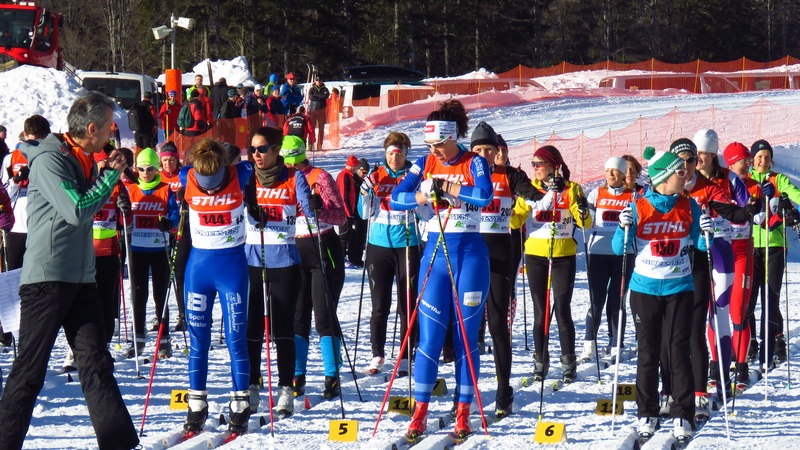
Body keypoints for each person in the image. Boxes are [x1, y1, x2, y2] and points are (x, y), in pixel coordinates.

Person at [0, 92, 139, 450]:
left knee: (96, 365)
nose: (112, 133)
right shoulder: (51, 159)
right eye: (109, 127)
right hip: (46, 279)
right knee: (30, 371)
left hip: (81, 277)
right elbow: (76, 210)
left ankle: (120, 444)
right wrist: (109, 178)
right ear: (92, 128)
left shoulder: (83, 157)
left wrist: (107, 174)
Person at [390, 100, 493, 440]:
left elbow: (484, 196)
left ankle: (463, 412)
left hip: (469, 255)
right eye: (429, 144)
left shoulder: (474, 161)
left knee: (465, 338)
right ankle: (419, 413)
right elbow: (396, 198)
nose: (434, 150)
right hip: (434, 256)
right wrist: (423, 197)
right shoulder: (424, 163)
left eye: (438, 144)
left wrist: (448, 188)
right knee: (430, 338)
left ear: (452, 137)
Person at [613, 147, 711, 443]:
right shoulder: (639, 206)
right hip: (645, 289)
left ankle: (683, 413)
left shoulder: (689, 205)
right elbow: (620, 249)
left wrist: (707, 231)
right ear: (664, 177)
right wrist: (622, 227)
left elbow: (701, 245)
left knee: (678, 350)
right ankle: (647, 412)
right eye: (680, 172)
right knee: (648, 351)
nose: (686, 176)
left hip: (679, 288)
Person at [666, 137, 757, 416]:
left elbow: (739, 211)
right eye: (682, 161)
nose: (689, 165)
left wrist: (752, 209)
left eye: (693, 159)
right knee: (683, 321)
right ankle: (680, 384)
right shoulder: (668, 187)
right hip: (686, 257)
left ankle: (727, 372)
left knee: (722, 312)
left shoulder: (718, 183)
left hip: (723, 251)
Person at [179, 138, 254, 437]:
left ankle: (240, 405)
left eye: (215, 183)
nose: (210, 190)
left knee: (236, 339)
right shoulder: (187, 176)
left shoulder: (240, 174)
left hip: (231, 268)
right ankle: (196, 405)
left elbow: (247, 162)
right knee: (198, 340)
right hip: (198, 269)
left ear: (225, 169)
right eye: (205, 184)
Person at [470, 121, 543, 418]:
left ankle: (503, 390)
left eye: (490, 149)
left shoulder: (509, 175)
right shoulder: (464, 173)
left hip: (500, 251)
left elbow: (532, 193)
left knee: (498, 323)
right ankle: (466, 391)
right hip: (470, 253)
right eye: (479, 149)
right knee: (467, 324)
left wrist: (546, 193)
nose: (484, 154)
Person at [244, 127, 313, 418]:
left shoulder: (293, 177)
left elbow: (307, 206)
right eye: (252, 149)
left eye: (261, 149)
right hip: (252, 262)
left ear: (275, 150)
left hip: (284, 263)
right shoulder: (247, 177)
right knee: (252, 329)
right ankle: (251, 386)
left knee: (283, 328)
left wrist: (313, 205)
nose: (256, 155)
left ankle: (286, 388)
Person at [511, 145, 592, 384]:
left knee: (563, 310)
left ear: (553, 166)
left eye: (539, 164)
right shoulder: (532, 189)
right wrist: (511, 211)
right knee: (540, 312)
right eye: (533, 164)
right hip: (536, 255)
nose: (535, 168)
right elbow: (515, 221)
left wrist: (583, 210)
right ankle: (540, 361)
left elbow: (585, 224)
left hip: (562, 256)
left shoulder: (571, 188)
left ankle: (568, 362)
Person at [281, 135, 348, 400]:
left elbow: (341, 216)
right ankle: (297, 375)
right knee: (297, 317)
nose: (287, 165)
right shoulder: (280, 180)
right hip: (294, 250)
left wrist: (320, 209)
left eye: (289, 159)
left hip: (322, 246)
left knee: (323, 315)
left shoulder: (320, 177)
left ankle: (332, 375)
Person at [358, 132, 421, 376]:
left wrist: (420, 198)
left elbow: (424, 212)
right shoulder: (376, 176)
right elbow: (364, 214)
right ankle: (377, 354)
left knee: (407, 303)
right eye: (390, 153)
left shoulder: (414, 176)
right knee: (379, 304)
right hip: (379, 245)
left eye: (399, 153)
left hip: (407, 243)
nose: (395, 158)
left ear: (406, 154)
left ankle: (405, 356)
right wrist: (365, 191)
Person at [747, 139, 800, 369]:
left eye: (767, 157)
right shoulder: (745, 180)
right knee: (749, 299)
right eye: (759, 157)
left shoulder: (779, 179)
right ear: (752, 160)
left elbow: (795, 194)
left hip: (775, 245)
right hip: (749, 245)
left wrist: (791, 205)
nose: (763, 161)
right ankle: (750, 343)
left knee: (771, 297)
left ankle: (775, 343)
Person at [125, 147, 180, 359]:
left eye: (149, 169)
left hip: (160, 249)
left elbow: (175, 215)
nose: (145, 173)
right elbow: (123, 215)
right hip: (137, 249)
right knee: (138, 295)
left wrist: (169, 223)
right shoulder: (131, 190)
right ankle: (138, 338)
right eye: (141, 169)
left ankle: (164, 339)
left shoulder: (165, 190)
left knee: (160, 294)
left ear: (157, 169)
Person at [580, 156, 635, 364]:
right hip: (598, 252)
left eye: (615, 171)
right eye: (607, 170)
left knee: (617, 300)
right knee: (596, 299)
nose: (610, 174)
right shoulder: (596, 193)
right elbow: (585, 223)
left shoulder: (633, 195)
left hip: (624, 253)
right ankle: (589, 345)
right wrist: (582, 211)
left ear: (622, 174)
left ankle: (616, 345)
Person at [721, 142, 765, 393]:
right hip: (720, 249)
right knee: (718, 309)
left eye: (749, 161)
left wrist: (763, 202)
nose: (748, 165)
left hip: (742, 249)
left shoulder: (753, 186)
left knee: (739, 310)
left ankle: (741, 366)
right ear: (731, 163)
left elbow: (760, 219)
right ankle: (717, 364)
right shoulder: (719, 185)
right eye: (744, 161)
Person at [1, 115, 50, 271]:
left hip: (42, 225)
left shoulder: (51, 157)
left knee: (37, 272)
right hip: (17, 225)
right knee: (12, 271)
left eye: (41, 139)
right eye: (33, 139)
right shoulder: (11, 158)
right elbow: (4, 193)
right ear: (25, 135)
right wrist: (16, 180)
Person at [337, 155, 364, 268]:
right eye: (357, 166)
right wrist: (348, 213)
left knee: (350, 235)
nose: (358, 169)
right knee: (344, 234)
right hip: (345, 211)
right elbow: (344, 195)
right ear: (353, 166)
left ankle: (347, 257)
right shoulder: (344, 175)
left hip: (350, 210)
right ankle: (341, 257)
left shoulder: (351, 175)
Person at [307, 77, 330, 151]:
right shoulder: (312, 89)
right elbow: (311, 97)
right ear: (315, 81)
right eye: (317, 80)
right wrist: (321, 96)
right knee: (311, 128)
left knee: (321, 128)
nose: (318, 81)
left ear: (322, 81)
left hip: (322, 110)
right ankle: (310, 145)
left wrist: (316, 95)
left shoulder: (325, 89)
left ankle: (320, 145)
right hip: (313, 110)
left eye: (320, 80)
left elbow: (326, 96)